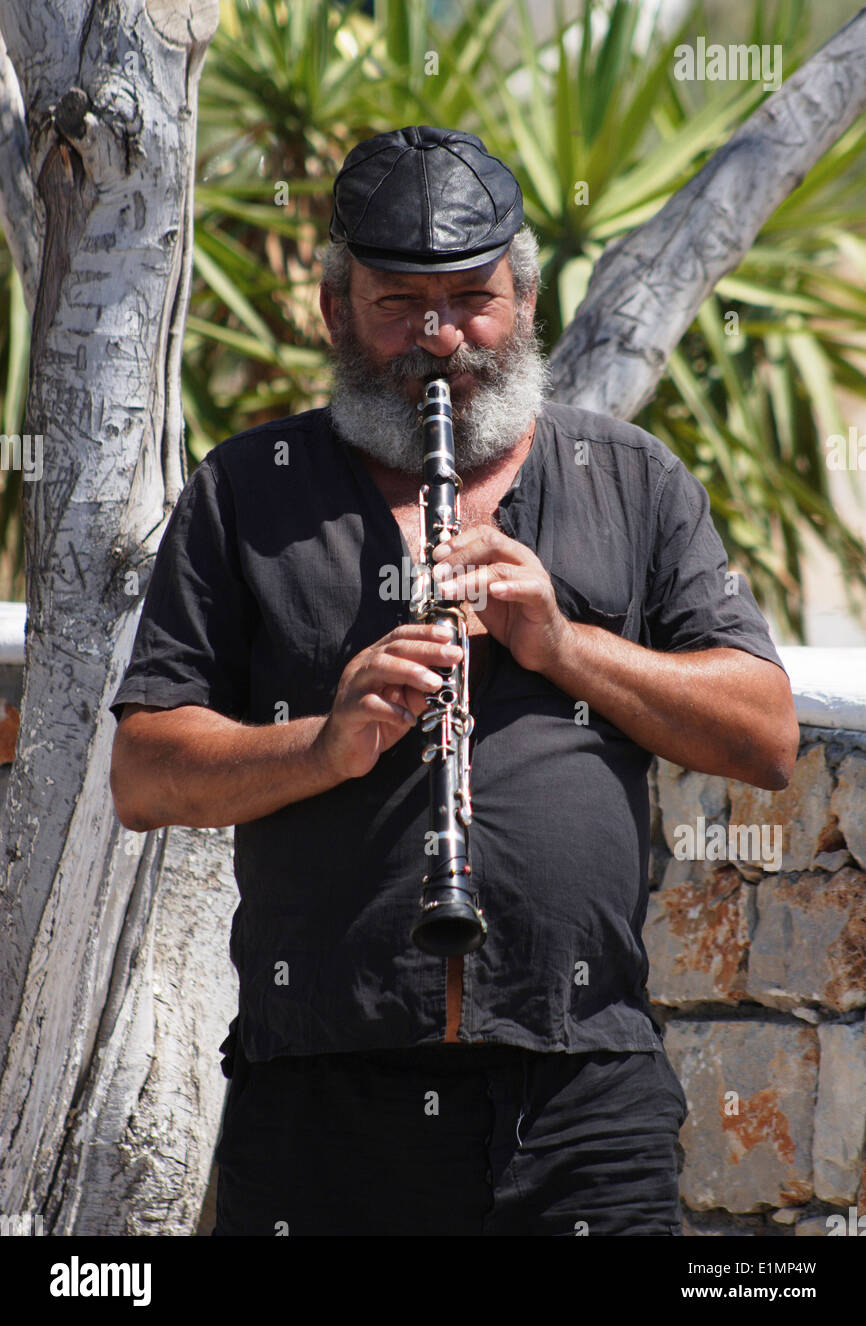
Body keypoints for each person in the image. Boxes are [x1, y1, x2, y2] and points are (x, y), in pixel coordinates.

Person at [109, 125, 800, 1237]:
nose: (438, 340)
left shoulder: (628, 478)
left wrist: (564, 645)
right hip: (323, 1093)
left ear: (524, 297)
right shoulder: (249, 489)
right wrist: (321, 744)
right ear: (334, 310)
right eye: (396, 304)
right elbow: (143, 774)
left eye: (471, 299)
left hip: (581, 1086)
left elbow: (764, 735)